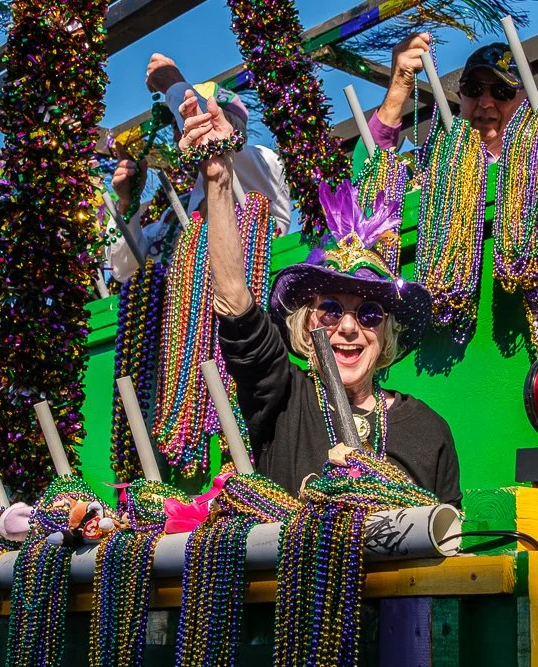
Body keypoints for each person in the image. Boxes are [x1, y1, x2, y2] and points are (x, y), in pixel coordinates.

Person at [177, 91, 462, 506]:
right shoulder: (282, 397)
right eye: (330, 309)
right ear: (306, 322)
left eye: (369, 313)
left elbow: (447, 536)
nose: (348, 327)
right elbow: (235, 302)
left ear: (386, 331)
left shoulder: (427, 428)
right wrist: (219, 178)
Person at [105, 53, 292, 282]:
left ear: (230, 126)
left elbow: (216, 143)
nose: (182, 133)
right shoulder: (175, 213)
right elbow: (123, 269)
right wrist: (128, 204)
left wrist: (173, 84)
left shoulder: (262, 162)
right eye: (178, 124)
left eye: (187, 118)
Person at [370, 35, 526, 162]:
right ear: (461, 96)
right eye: (473, 88)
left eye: (502, 91)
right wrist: (398, 88)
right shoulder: (428, 167)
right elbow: (366, 181)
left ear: (526, 101)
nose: (485, 103)